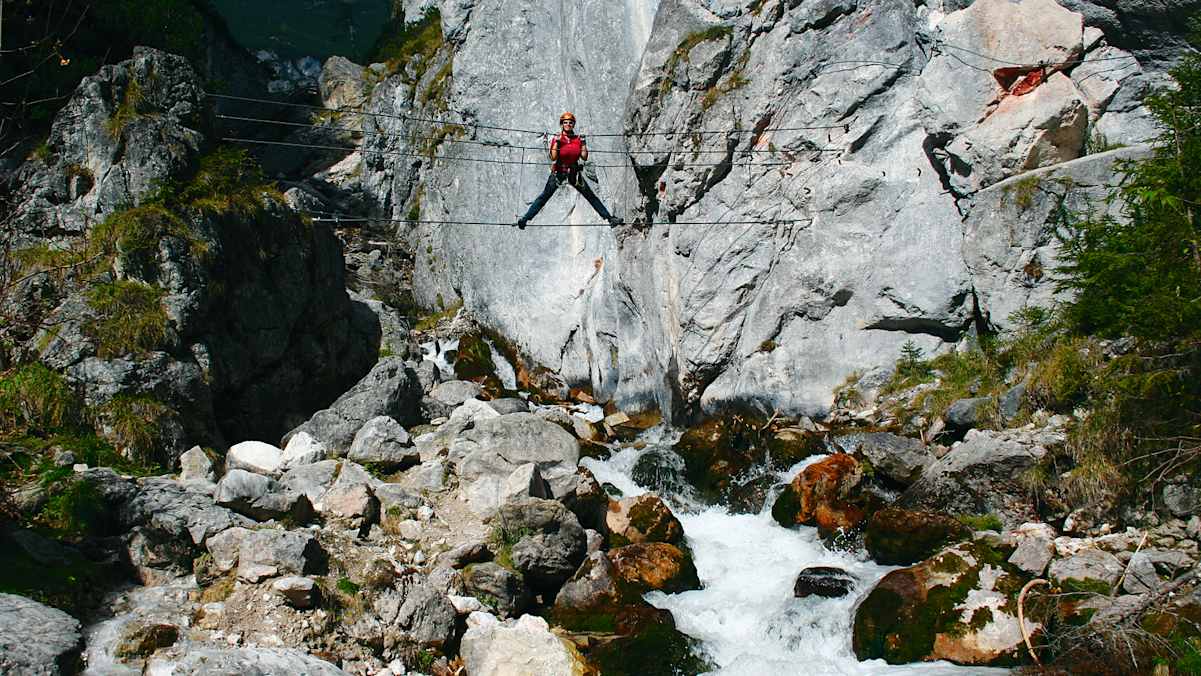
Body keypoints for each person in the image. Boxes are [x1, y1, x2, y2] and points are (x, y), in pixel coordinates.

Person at [515, 111, 622, 229]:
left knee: (590, 196)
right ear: (562, 124)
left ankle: (609, 218)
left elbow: (584, 157)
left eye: (570, 122)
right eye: (565, 122)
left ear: (573, 124)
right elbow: (553, 157)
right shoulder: (558, 138)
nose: (568, 124)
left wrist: (583, 143)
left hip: (574, 173)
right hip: (559, 172)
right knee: (544, 197)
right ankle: (525, 219)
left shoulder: (577, 139)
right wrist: (556, 142)